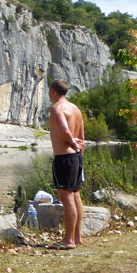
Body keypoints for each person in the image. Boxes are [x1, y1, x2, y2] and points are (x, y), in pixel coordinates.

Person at [48, 78, 85, 250]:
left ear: (53, 91)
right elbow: (82, 137)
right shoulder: (76, 109)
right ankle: (77, 236)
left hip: (64, 158)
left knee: (67, 198)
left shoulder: (56, 108)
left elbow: (64, 130)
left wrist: (72, 143)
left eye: (49, 91)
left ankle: (68, 241)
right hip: (76, 158)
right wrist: (78, 152)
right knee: (76, 195)